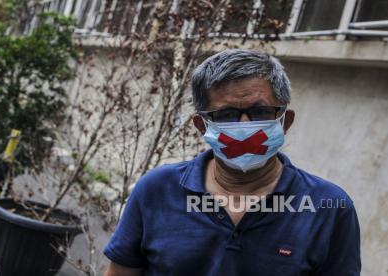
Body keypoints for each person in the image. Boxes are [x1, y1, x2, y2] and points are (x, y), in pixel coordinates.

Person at [103, 49, 361, 276]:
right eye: (227, 114)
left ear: (286, 120)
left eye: (260, 112)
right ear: (202, 125)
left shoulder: (330, 208)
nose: (245, 126)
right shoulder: (156, 190)